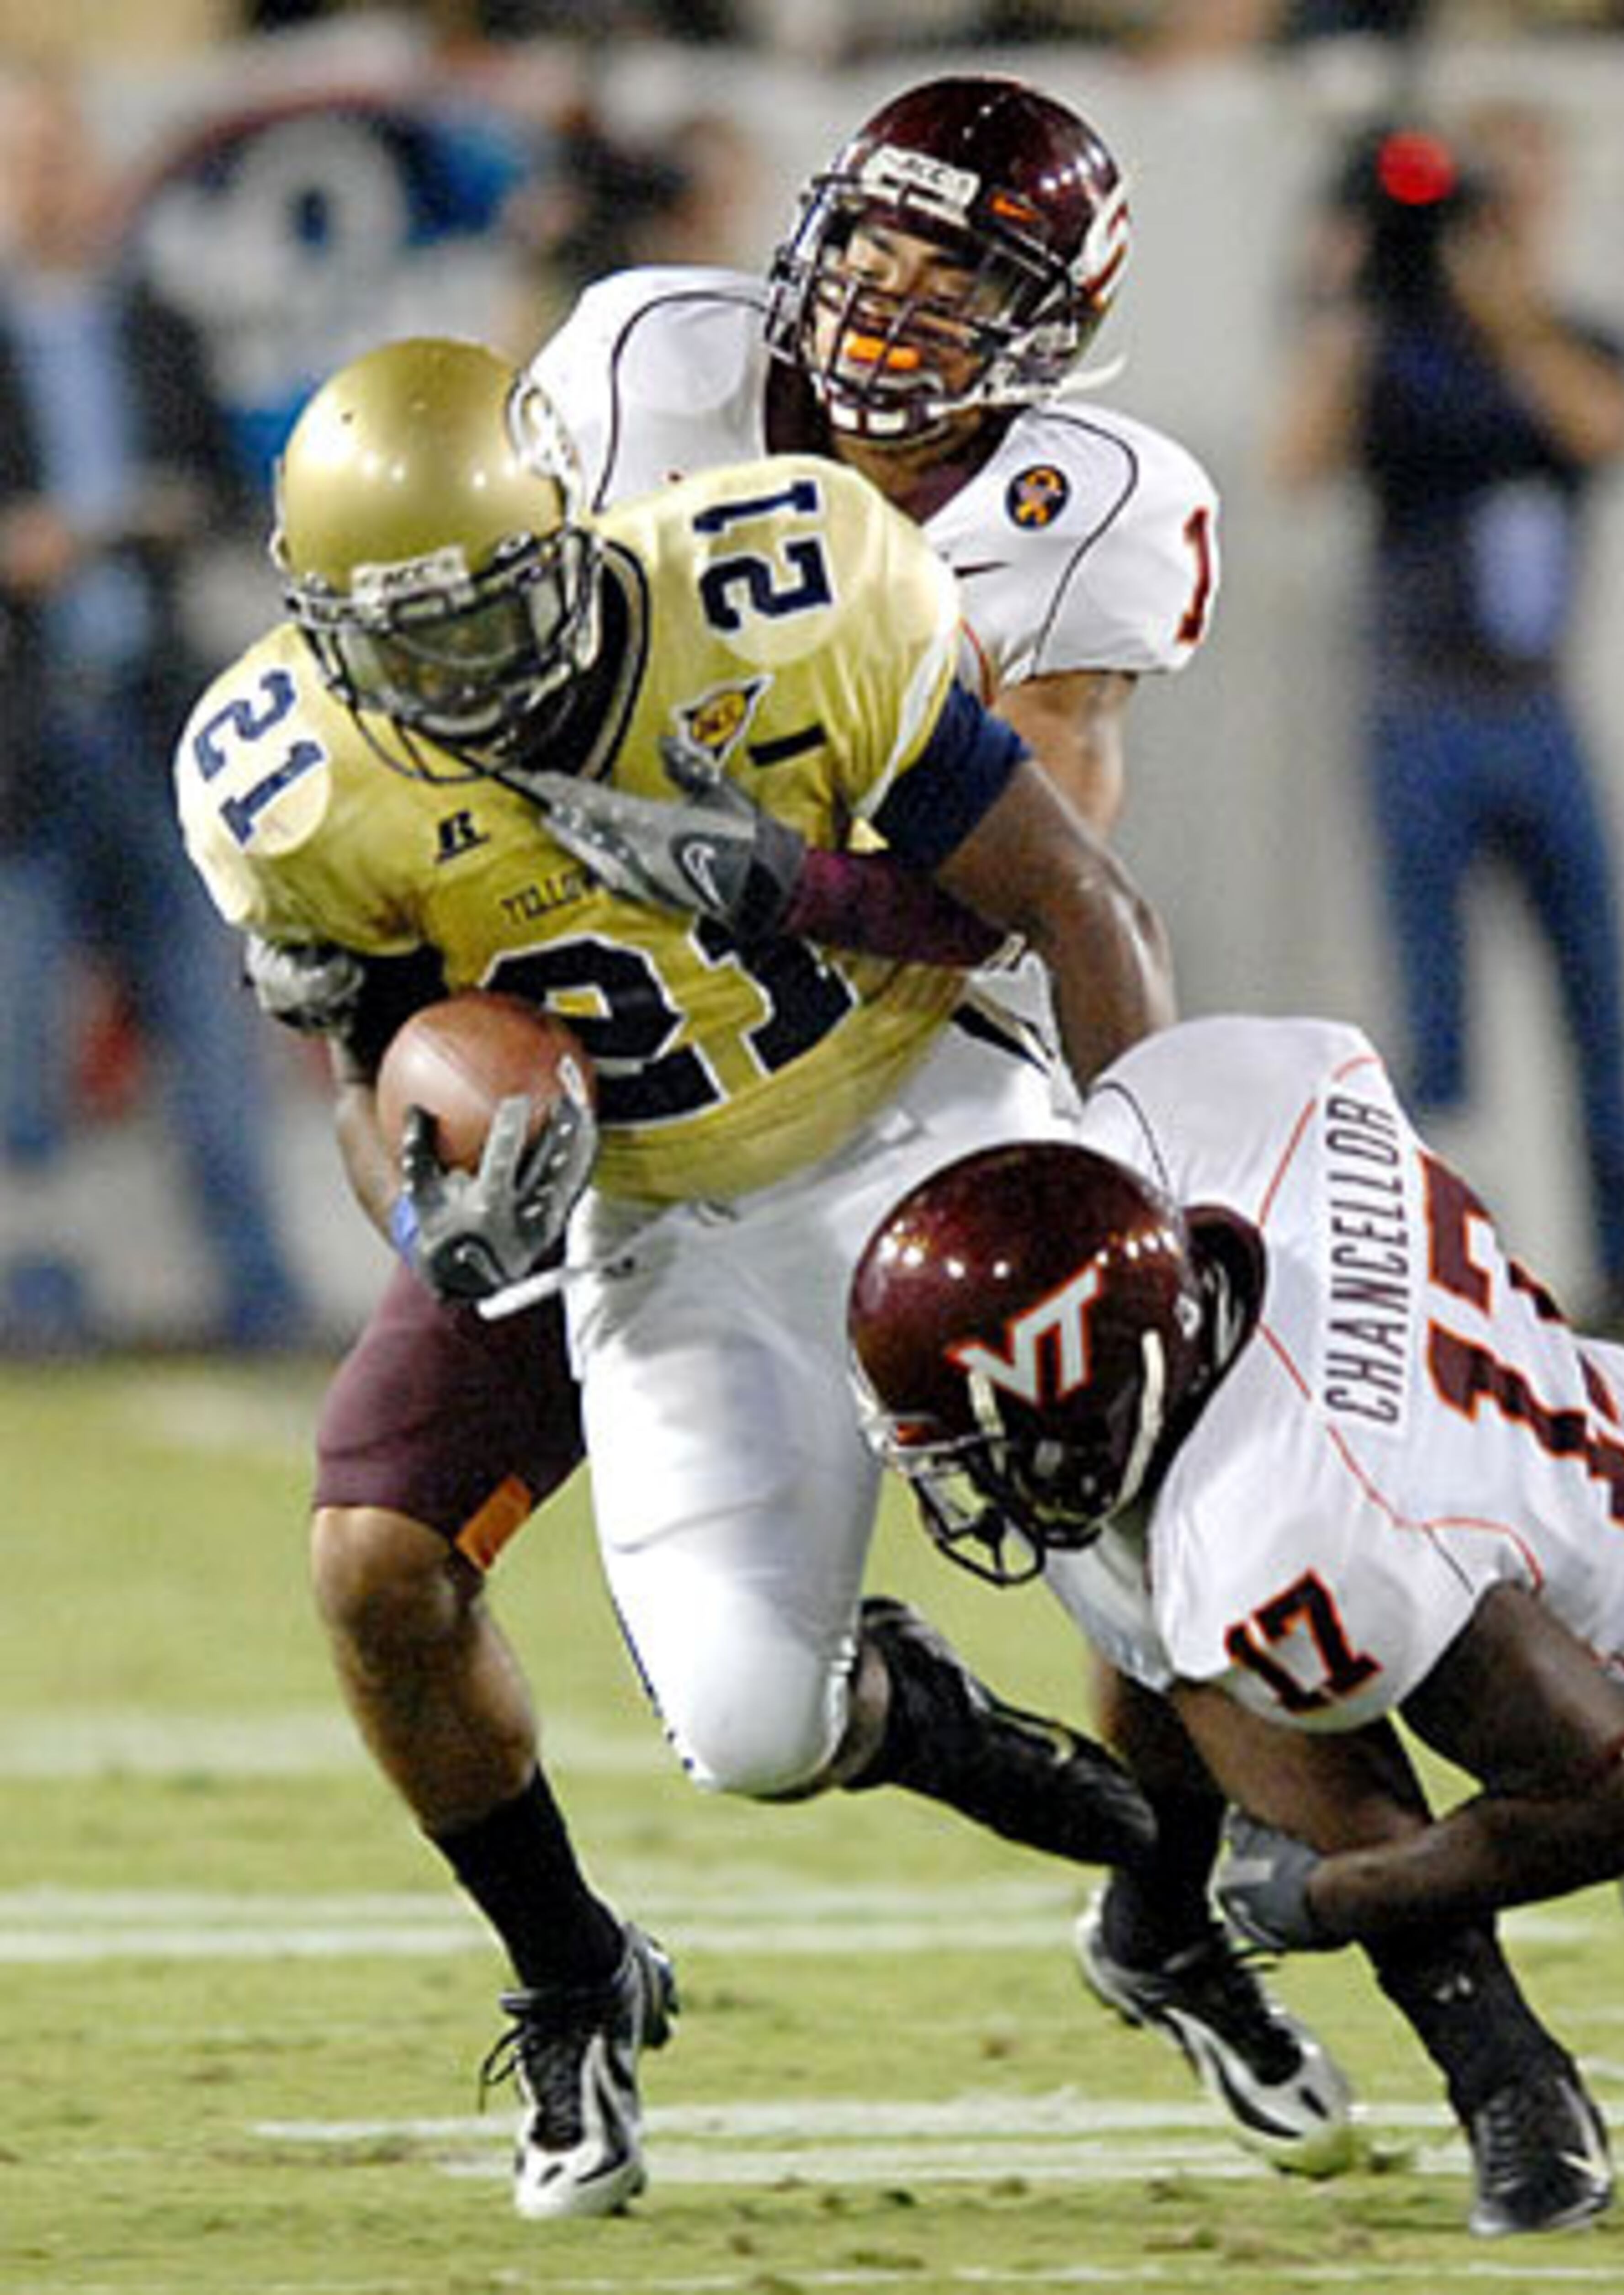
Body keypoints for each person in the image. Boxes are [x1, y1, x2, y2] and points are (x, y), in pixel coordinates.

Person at [238, 72, 1369, 2202]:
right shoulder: (653, 361)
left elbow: (1042, 877)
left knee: (1168, 1501)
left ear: (1056, 326)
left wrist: (779, 874)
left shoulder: (1072, 513)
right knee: (381, 1548)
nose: (894, 302)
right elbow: (449, 668)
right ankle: (577, 1978)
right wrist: (431, 1158)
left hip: (910, 1036)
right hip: (595, 1049)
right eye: (879, 242)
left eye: (964, 278)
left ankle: (1168, 1901)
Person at [845, 1005, 1624, 2232]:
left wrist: (1330, 1901)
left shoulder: (1287, 1521)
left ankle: (1501, 2070)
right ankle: (1161, 1928)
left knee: (1198, 1618)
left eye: (993, 1449)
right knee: (1152, 1580)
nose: (978, 1492)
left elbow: (1617, 1798)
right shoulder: (1234, 1120)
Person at [1266, 109, 1624, 1330]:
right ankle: (1435, 1281)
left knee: (1599, 1003)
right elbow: (1294, 465)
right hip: (1421, 712)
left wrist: (1504, 303)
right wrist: (1348, 300)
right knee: (1436, 1028)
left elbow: (1607, 427)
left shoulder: (1567, 340)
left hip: (1541, 713)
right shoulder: (1396, 349)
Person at [0, 62, 308, 1349]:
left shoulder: (157, 323)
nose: (44, 182)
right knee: (18, 1044)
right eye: (20, 158)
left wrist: (160, 518)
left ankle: (259, 1290)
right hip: (18, 730)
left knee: (214, 1019)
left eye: (58, 154)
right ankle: (31, 1300)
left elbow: (232, 492)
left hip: (155, 717)